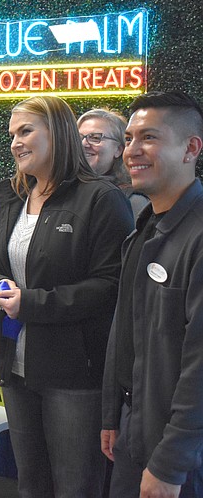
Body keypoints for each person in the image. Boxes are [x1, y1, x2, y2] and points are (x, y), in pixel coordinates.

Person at [0, 96, 133, 498]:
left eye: (26, 131)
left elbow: (110, 286)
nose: (15, 142)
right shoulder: (11, 195)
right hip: (14, 367)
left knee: (75, 485)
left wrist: (31, 303)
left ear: (59, 134)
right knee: (31, 483)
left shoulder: (101, 199)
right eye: (12, 134)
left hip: (74, 374)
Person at [101, 91, 203, 497]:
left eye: (149, 138)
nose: (132, 150)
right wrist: (112, 413)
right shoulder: (144, 229)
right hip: (133, 432)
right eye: (128, 138)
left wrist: (170, 464)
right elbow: (124, 333)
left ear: (191, 148)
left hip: (181, 456)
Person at [78, 108, 148, 216]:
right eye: (78, 138)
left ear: (118, 150)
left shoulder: (132, 201)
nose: (84, 144)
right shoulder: (60, 191)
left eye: (95, 138)